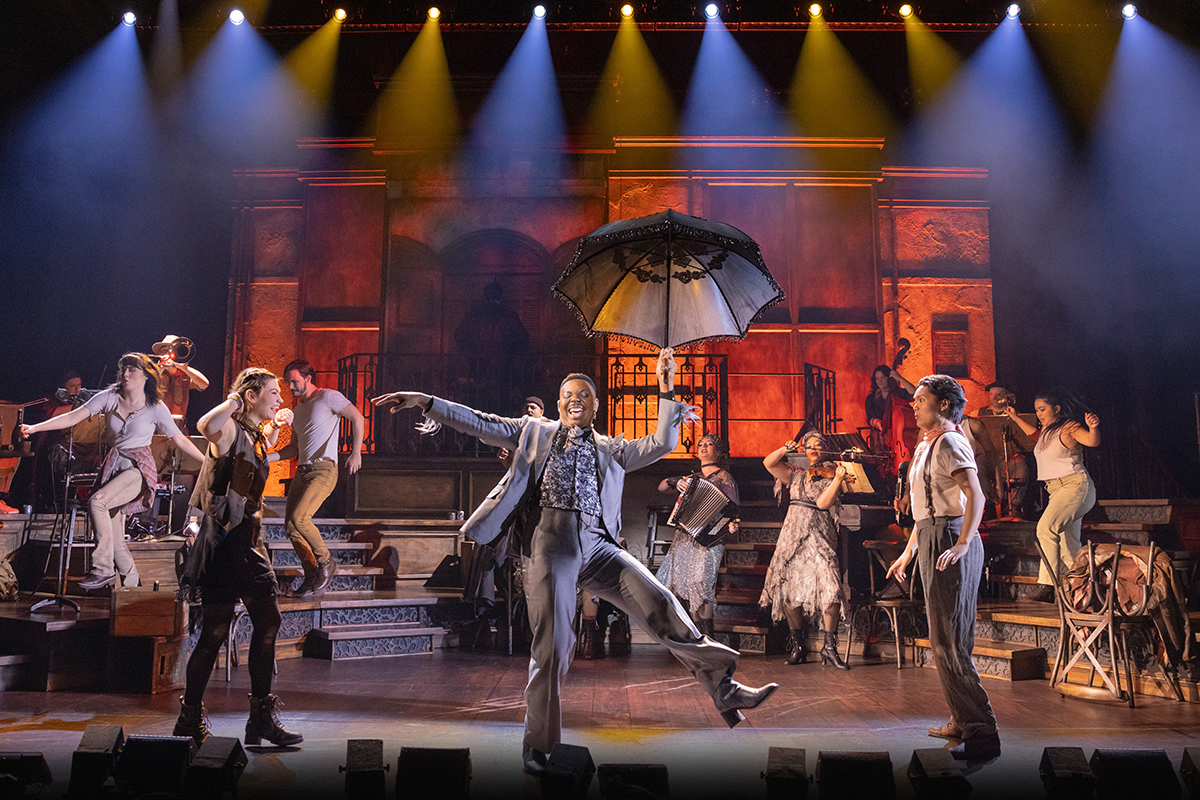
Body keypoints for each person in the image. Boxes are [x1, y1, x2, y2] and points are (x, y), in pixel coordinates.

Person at [371, 348, 777, 775]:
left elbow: (662, 443)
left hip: (598, 546)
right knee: (554, 645)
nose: (574, 399)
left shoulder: (611, 448)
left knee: (659, 601)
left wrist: (666, 386)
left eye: (583, 394)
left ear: (596, 405)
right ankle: (538, 744)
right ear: (559, 402)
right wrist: (426, 401)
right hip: (550, 542)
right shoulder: (533, 431)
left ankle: (723, 688)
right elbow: (480, 422)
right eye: (567, 394)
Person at [173, 367, 302, 748]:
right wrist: (234, 399)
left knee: (215, 631)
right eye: (273, 393)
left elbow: (264, 443)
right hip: (235, 543)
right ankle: (259, 719)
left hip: (228, 543)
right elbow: (206, 424)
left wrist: (277, 423)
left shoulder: (251, 433)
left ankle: (189, 720)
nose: (279, 398)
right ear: (251, 395)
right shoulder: (229, 429)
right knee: (268, 620)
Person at [886, 375, 1000, 763]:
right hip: (932, 535)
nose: (914, 404)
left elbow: (975, 496)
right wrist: (908, 552)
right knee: (944, 639)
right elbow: (924, 512)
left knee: (949, 641)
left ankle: (982, 731)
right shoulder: (927, 444)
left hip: (951, 537)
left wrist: (963, 543)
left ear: (945, 404)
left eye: (921, 399)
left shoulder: (950, 441)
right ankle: (962, 718)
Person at [21, 353, 205, 590]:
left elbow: (178, 438)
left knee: (97, 502)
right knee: (116, 537)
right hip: (113, 465)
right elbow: (73, 416)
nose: (126, 374)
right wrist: (35, 428)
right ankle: (133, 585)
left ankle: (102, 568)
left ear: (146, 376)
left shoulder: (155, 407)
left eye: (132, 370)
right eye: (123, 369)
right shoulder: (109, 397)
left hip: (137, 469)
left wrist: (206, 461)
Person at [267, 359, 365, 597]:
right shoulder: (298, 411)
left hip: (324, 469)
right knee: (291, 527)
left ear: (308, 378)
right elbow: (294, 449)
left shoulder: (328, 397)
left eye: (294, 381)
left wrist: (356, 452)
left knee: (300, 518)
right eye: (288, 382)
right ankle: (311, 572)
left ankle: (326, 562)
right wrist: (266, 458)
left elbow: (357, 417)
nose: (290, 386)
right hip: (302, 472)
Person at [760, 431, 853, 669]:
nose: (813, 448)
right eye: (808, 445)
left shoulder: (832, 475)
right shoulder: (797, 474)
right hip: (792, 535)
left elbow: (823, 503)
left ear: (826, 448)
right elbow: (768, 463)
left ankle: (829, 647)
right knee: (789, 589)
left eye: (818, 444)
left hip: (819, 534)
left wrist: (837, 479)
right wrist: (785, 449)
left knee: (831, 588)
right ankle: (799, 646)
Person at [1002, 388, 1099, 601]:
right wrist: (1015, 417)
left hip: (1075, 487)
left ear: (1056, 408)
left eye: (1042, 409)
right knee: (1068, 547)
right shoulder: (1046, 432)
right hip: (1057, 492)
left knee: (1045, 529)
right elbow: (1034, 435)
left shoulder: (1069, 427)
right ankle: (1091, 590)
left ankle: (1047, 585)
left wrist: (1093, 428)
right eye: (1036, 410)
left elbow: (1092, 441)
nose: (1038, 414)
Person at [655, 434, 739, 638]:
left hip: (708, 539)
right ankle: (691, 636)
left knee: (700, 584)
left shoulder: (724, 477)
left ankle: (707, 635)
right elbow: (662, 487)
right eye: (701, 444)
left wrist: (727, 526)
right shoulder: (691, 479)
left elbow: (732, 510)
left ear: (718, 452)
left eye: (710, 444)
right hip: (684, 536)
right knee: (681, 585)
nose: (704, 447)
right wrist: (675, 481)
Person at [865, 364, 918, 476]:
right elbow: (869, 418)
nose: (880, 381)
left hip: (898, 439)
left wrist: (899, 378)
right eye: (877, 379)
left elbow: (914, 393)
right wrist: (876, 422)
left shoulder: (899, 394)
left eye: (883, 378)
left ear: (889, 378)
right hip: (880, 438)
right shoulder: (871, 398)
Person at [152, 335, 210, 431]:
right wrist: (160, 369)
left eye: (171, 350)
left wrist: (182, 367)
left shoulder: (185, 374)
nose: (168, 353)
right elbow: (145, 388)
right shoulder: (153, 372)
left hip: (178, 426)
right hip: (155, 425)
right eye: (164, 350)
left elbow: (204, 384)